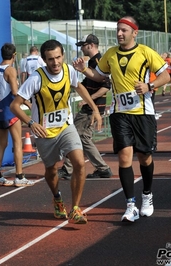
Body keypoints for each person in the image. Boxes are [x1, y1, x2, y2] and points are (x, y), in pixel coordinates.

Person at [73, 16, 170, 222]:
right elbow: (99, 76)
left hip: (143, 113)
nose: (119, 33)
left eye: (124, 30)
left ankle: (147, 195)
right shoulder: (110, 54)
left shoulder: (145, 52)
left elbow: (166, 75)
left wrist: (149, 86)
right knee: (125, 158)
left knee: (144, 156)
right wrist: (84, 70)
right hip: (119, 113)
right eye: (118, 30)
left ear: (135, 32)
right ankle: (130, 205)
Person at [10, 39, 103, 224]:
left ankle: (75, 208)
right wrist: (31, 122)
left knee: (79, 163)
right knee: (51, 170)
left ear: (63, 56)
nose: (55, 62)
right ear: (44, 60)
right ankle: (57, 198)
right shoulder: (36, 78)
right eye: (51, 59)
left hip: (66, 127)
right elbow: (15, 105)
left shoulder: (69, 70)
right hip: (45, 132)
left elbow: (80, 87)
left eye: (58, 57)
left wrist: (95, 109)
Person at [57, 34, 112, 180]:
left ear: (91, 45)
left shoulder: (98, 62)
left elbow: (107, 86)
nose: (81, 48)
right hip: (93, 108)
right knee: (83, 138)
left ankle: (69, 169)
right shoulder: (92, 62)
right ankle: (102, 168)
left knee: (74, 136)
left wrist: (89, 101)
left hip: (93, 108)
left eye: (83, 45)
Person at [0, 43, 35, 187]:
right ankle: (19, 176)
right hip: (10, 111)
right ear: (14, 55)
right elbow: (14, 92)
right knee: (17, 142)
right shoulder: (11, 70)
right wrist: (28, 103)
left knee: (2, 144)